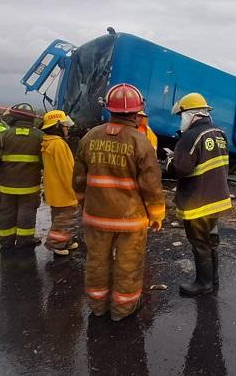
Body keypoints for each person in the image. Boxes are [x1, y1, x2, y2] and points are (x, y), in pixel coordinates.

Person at [73, 83, 165, 321]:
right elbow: (151, 186)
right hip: (130, 221)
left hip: (96, 217)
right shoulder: (141, 142)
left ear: (109, 109)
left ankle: (97, 305)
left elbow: (79, 180)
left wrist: (84, 204)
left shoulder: (89, 137)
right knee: (128, 263)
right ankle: (122, 309)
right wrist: (156, 215)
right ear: (137, 112)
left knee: (96, 261)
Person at [168, 92, 231, 296]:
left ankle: (203, 284)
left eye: (181, 115)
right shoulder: (219, 133)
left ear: (190, 114)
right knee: (211, 240)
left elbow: (182, 169)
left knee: (199, 242)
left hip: (197, 202)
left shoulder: (191, 136)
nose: (181, 120)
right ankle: (213, 279)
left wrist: (170, 161)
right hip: (217, 198)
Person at [0, 103, 44, 251]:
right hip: (30, 186)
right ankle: (25, 240)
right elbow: (46, 162)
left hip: (6, 186)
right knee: (27, 212)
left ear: (13, 118)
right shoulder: (40, 137)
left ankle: (6, 241)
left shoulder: (3, 136)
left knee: (6, 212)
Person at [41, 110, 81, 256]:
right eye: (64, 125)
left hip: (55, 190)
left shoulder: (48, 142)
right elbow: (67, 171)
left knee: (60, 218)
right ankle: (56, 244)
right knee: (65, 219)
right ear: (57, 126)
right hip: (64, 191)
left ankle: (67, 241)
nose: (67, 128)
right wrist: (74, 191)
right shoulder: (58, 144)